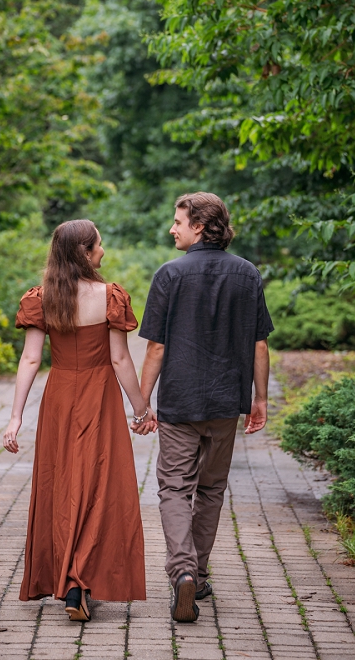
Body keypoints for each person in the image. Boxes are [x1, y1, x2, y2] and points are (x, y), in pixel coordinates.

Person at [3, 219, 156, 622]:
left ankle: (71, 583)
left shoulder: (42, 298)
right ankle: (79, 582)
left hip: (59, 398)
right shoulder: (109, 297)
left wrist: (15, 417)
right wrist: (141, 409)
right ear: (85, 253)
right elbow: (121, 359)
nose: (103, 252)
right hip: (99, 395)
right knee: (99, 484)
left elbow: (31, 359)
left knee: (64, 483)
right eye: (99, 246)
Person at [135, 192, 274, 623]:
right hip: (226, 402)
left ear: (199, 225)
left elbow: (156, 346)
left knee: (175, 487)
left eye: (178, 221)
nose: (172, 229)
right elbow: (259, 343)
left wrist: (142, 404)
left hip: (180, 403)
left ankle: (182, 572)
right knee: (211, 489)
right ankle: (199, 571)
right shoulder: (248, 274)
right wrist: (260, 399)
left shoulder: (169, 275)